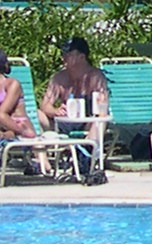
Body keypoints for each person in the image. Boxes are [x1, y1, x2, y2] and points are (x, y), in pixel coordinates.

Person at [40, 37, 111, 184]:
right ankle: (43, 162)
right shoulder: (59, 78)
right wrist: (55, 111)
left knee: (100, 120)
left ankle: (86, 157)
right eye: (63, 53)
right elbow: (45, 105)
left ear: (82, 57)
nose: (63, 57)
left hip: (87, 125)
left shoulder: (95, 78)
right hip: (63, 124)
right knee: (37, 115)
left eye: (68, 53)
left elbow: (102, 107)